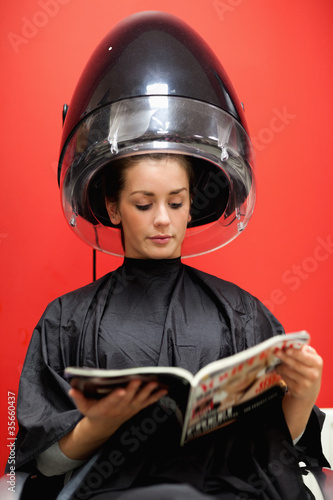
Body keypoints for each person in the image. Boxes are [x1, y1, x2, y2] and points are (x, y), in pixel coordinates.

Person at [9, 11, 329, 500]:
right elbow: (44, 465)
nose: (163, 219)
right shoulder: (66, 322)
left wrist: (303, 396)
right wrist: (101, 424)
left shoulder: (241, 315)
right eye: (144, 203)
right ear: (112, 207)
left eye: (177, 203)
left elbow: (272, 456)